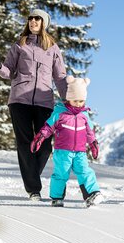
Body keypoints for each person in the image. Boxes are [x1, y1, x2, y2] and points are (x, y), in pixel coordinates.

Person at [0, 9, 68, 201]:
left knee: (45, 146)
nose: (33, 21)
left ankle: (32, 177)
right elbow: (9, 71)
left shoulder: (52, 48)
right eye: (31, 18)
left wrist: (68, 101)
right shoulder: (20, 44)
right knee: (24, 143)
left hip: (44, 101)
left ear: (44, 23)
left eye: (37, 19)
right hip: (19, 100)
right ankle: (33, 189)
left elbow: (60, 76)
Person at [31, 76, 103, 207]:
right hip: (63, 151)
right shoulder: (60, 112)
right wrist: (40, 137)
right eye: (75, 100)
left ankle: (92, 194)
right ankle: (57, 198)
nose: (79, 104)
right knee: (61, 174)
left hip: (80, 152)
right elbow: (48, 127)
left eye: (81, 101)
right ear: (69, 98)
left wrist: (93, 144)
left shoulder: (84, 115)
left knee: (85, 171)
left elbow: (89, 132)